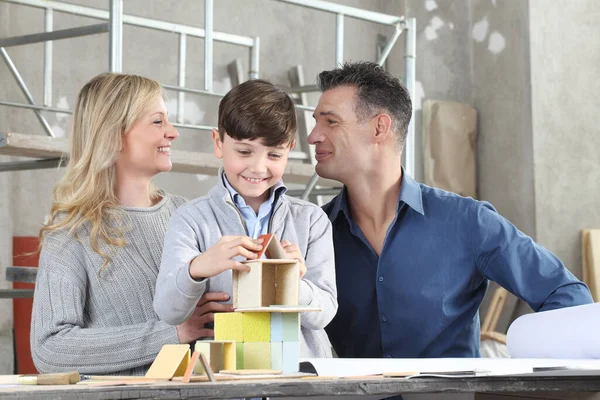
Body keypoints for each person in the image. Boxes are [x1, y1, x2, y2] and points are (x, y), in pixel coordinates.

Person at [307, 61, 593, 359]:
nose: (313, 135)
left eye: (330, 122)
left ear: (380, 127)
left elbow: (569, 298)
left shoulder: (468, 222)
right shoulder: (315, 234)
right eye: (316, 122)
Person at [30, 73, 222, 375]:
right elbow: (50, 348)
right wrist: (169, 334)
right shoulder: (72, 232)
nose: (173, 132)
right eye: (157, 122)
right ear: (113, 134)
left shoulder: (188, 215)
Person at [154, 79, 337, 358]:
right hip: (224, 377)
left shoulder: (311, 221)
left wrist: (292, 283)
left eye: (274, 154)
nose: (258, 167)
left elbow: (324, 314)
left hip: (298, 380)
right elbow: (168, 311)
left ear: (289, 149)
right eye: (243, 151)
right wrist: (198, 267)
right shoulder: (191, 219)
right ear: (218, 142)